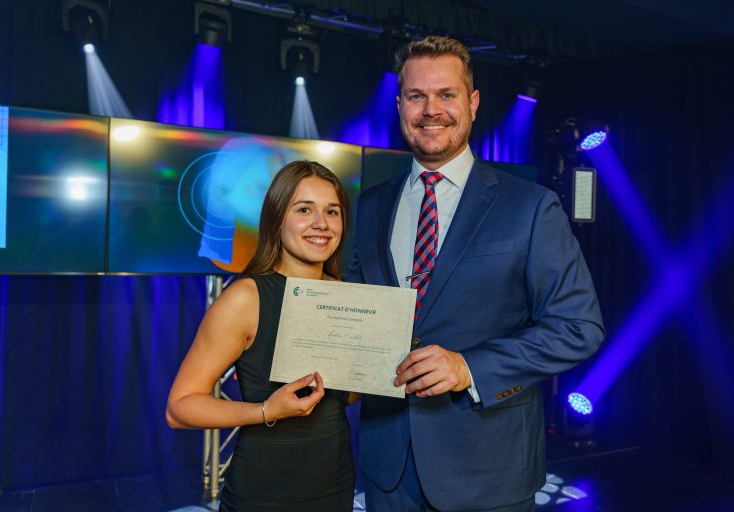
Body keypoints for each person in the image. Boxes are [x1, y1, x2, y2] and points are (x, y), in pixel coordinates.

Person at [346, 36, 605, 512]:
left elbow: (578, 328)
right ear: (399, 105)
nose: (431, 110)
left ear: (473, 102)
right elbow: (354, 310)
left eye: (446, 94)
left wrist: (469, 367)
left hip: (489, 471)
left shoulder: (530, 206)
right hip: (388, 469)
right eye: (417, 96)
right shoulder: (370, 206)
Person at [166, 161, 355, 511]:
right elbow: (179, 408)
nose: (322, 223)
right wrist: (267, 410)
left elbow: (345, 396)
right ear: (276, 218)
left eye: (332, 212)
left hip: (336, 485)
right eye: (304, 210)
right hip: (264, 491)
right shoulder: (246, 298)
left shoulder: (347, 295)